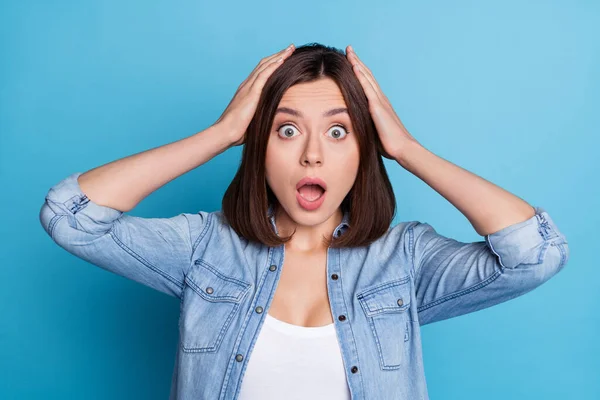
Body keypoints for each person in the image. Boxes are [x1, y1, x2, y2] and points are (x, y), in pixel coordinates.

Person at [39, 42, 570, 400]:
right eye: (286, 130)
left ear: (365, 149)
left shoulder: (404, 261)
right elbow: (71, 217)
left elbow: (536, 254)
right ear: (258, 146)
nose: (312, 155)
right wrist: (220, 133)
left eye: (339, 132)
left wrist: (406, 149)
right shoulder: (205, 248)